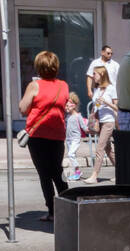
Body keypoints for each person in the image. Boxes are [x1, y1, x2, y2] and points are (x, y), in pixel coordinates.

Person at [18, 50, 68, 223]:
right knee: (58, 172)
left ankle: (52, 211)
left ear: (38, 67)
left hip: (38, 135)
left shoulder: (34, 86)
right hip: (58, 135)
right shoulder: (64, 85)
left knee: (44, 174)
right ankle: (68, 206)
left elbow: (23, 109)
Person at [84, 65, 117, 185]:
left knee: (100, 148)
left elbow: (117, 107)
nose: (93, 76)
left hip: (109, 121)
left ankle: (94, 175)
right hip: (100, 121)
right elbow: (96, 107)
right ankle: (122, 172)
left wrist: (106, 102)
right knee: (108, 150)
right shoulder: (97, 90)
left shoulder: (111, 89)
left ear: (102, 74)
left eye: (95, 74)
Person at [64, 93, 85, 181]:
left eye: (69, 104)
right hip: (68, 139)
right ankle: (76, 173)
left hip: (75, 139)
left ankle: (78, 172)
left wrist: (92, 129)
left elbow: (84, 127)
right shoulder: (68, 116)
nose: (67, 106)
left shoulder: (78, 116)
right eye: (66, 105)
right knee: (72, 155)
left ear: (75, 105)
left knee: (71, 154)